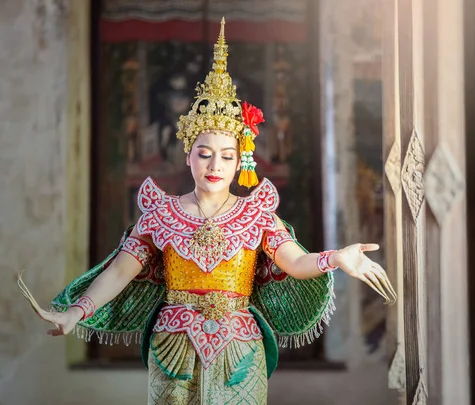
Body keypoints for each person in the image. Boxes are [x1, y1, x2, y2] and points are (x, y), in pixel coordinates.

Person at [18, 18, 397, 405]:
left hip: (240, 347)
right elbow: (119, 271)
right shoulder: (160, 215)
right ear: (188, 156)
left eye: (227, 156)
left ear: (240, 162)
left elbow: (296, 263)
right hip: (173, 346)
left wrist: (338, 258)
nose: (215, 165)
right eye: (204, 154)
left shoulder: (258, 215)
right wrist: (76, 313)